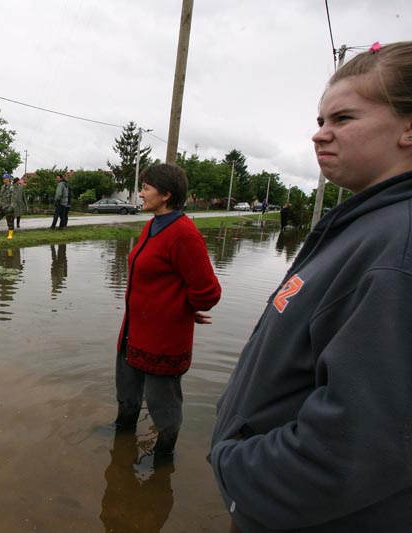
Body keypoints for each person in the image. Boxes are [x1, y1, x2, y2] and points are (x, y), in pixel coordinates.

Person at [210, 41, 412, 532]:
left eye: (343, 119)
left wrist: (237, 468)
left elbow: (357, 445)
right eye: (320, 121)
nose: (320, 136)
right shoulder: (368, 224)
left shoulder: (397, 248)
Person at [115, 163, 221, 457]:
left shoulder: (185, 234)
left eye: (146, 188)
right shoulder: (152, 224)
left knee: (163, 406)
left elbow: (209, 292)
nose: (140, 193)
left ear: (166, 195)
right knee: (127, 393)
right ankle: (122, 437)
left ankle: (163, 459)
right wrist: (180, 303)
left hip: (162, 339)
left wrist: (183, 308)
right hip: (134, 330)